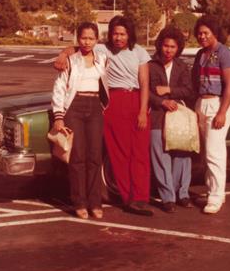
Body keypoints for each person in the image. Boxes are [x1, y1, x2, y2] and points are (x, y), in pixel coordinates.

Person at [54, 16, 153, 216]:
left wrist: (143, 110)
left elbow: (144, 83)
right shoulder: (103, 49)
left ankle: (142, 196)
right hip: (114, 101)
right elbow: (80, 46)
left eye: (123, 34)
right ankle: (129, 198)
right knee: (120, 153)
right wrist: (63, 54)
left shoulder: (140, 52)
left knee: (140, 152)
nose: (118, 37)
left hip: (136, 100)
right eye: (115, 33)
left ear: (129, 34)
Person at [51, 22, 108, 220]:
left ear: (97, 40)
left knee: (95, 156)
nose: (87, 42)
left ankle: (95, 202)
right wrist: (59, 116)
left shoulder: (102, 59)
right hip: (74, 107)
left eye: (91, 38)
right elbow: (59, 88)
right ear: (78, 38)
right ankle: (80, 202)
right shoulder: (71, 60)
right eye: (84, 38)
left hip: (94, 108)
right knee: (78, 157)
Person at [192, 15, 230, 214]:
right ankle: (214, 190)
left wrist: (222, 112)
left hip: (218, 104)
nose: (202, 36)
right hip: (202, 103)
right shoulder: (200, 54)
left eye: (206, 33)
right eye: (199, 33)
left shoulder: (225, 53)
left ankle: (216, 197)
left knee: (214, 153)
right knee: (206, 154)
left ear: (214, 33)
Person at [149, 26, 194, 213]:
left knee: (182, 154)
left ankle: (182, 193)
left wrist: (169, 91)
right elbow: (147, 92)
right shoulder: (150, 65)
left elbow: (189, 90)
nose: (168, 50)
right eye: (166, 46)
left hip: (178, 116)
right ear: (160, 46)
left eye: (173, 47)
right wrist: (162, 101)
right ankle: (167, 197)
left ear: (178, 49)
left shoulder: (182, 67)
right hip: (158, 116)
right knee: (161, 157)